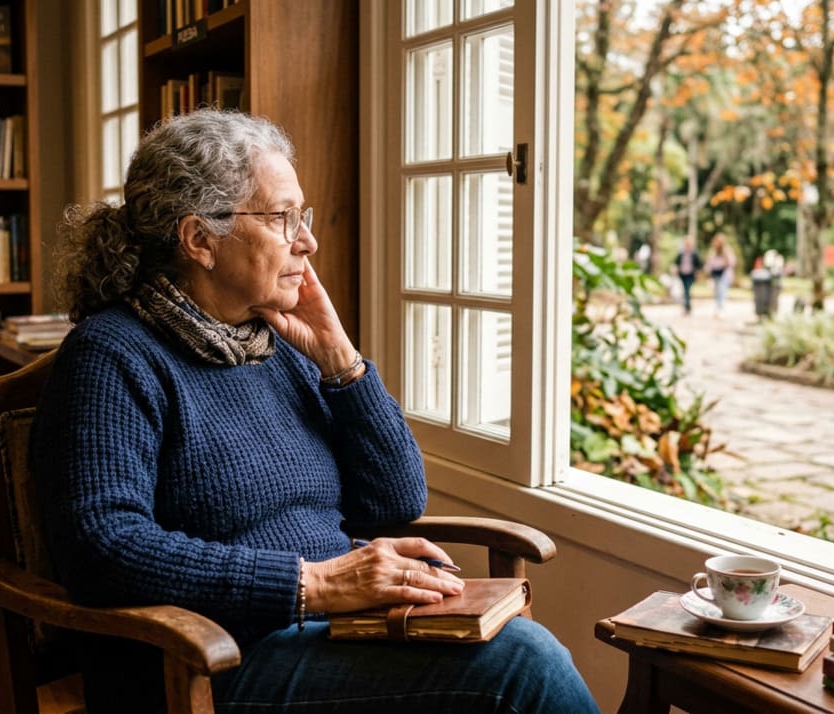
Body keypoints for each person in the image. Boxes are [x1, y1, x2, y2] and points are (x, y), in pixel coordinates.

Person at [31, 109, 599, 714]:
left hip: (329, 632)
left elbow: (396, 501)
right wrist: (317, 583)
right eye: (283, 218)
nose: (308, 241)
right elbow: (102, 545)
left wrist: (339, 359)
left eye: (302, 216)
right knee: (521, 666)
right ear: (200, 239)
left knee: (515, 652)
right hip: (206, 664)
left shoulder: (276, 345)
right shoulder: (112, 356)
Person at [705, 234, 736, 317]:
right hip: (715, 272)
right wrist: (708, 272)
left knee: (722, 290)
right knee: (716, 291)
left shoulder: (726, 250)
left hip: (724, 273)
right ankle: (718, 308)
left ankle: (721, 308)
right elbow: (709, 263)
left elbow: (731, 262)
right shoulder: (713, 251)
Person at [674, 236, 703, 314]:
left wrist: (698, 272)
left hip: (690, 274)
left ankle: (687, 307)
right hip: (683, 274)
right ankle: (687, 306)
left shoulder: (694, 253)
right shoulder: (681, 253)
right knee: (685, 290)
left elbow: (699, 264)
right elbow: (676, 262)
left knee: (687, 289)